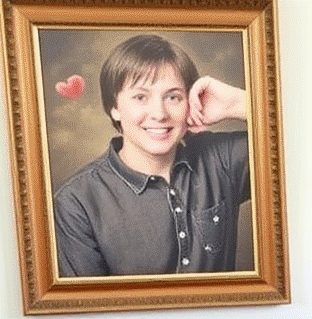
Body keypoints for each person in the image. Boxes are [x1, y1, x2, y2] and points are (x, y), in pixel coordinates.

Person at [53, 33, 253, 277]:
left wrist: (239, 104)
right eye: (140, 97)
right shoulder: (77, 201)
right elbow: (89, 311)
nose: (159, 113)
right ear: (114, 107)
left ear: (189, 101)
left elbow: (307, 140)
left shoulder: (221, 160)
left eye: (173, 97)